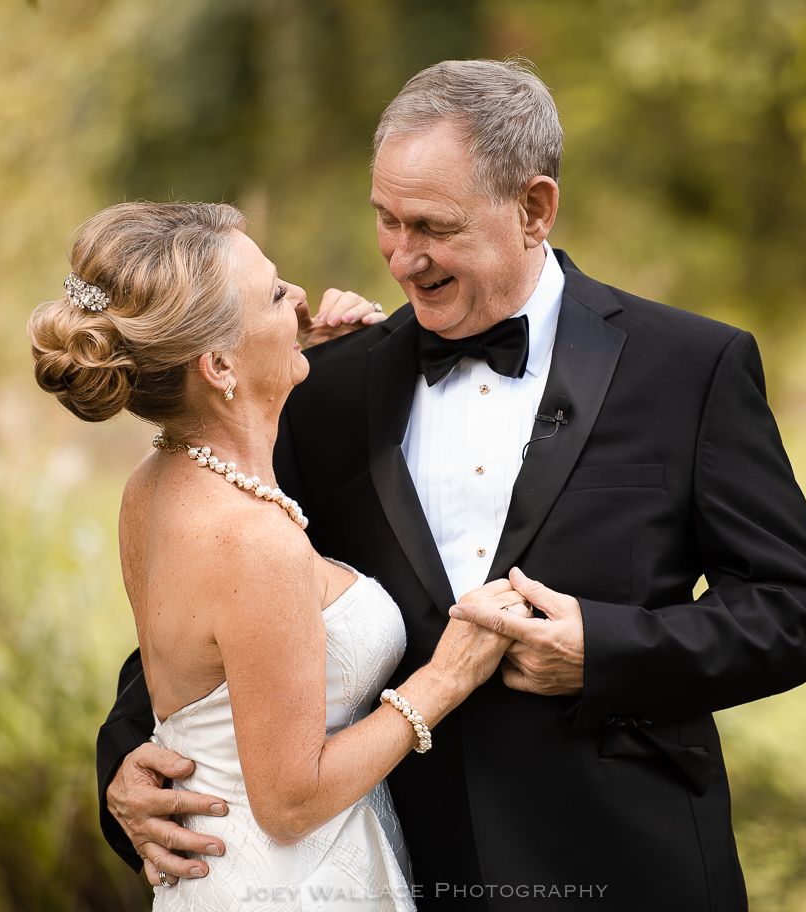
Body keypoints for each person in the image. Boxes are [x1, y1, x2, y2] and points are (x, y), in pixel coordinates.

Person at [99, 60, 806, 910]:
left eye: (433, 226)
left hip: (630, 867)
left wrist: (603, 650)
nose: (402, 257)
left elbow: (798, 610)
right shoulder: (325, 389)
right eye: (385, 218)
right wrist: (124, 760)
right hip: (404, 865)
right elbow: (223, 597)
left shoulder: (691, 368)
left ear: (534, 209)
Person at [30, 201, 536, 910]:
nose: (301, 299)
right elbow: (290, 802)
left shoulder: (155, 482)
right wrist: (446, 679)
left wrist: (290, 366)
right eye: (274, 293)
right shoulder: (253, 542)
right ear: (215, 364)